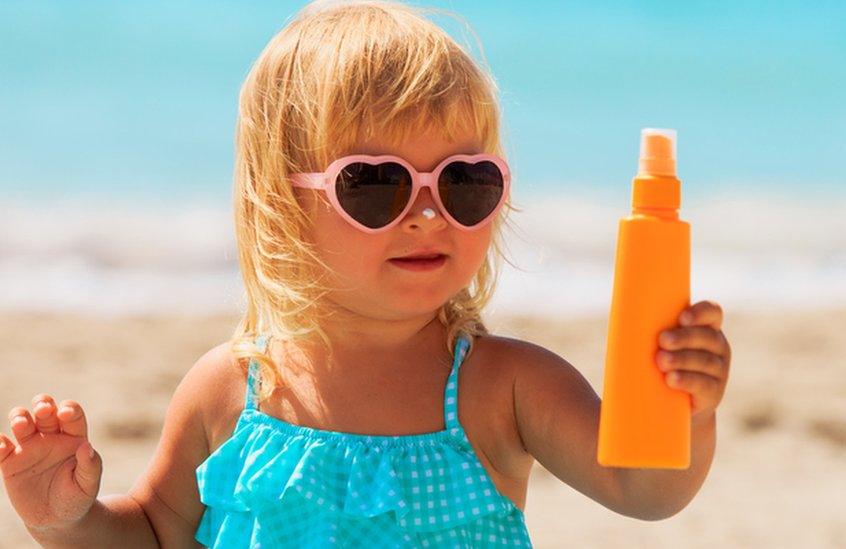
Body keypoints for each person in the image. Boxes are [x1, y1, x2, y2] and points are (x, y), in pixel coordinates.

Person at [0, 1, 732, 546]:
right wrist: (68, 518)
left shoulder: (504, 386)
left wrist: (689, 414)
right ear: (283, 203)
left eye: (463, 181)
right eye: (376, 183)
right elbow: (156, 534)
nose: (426, 214)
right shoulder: (231, 388)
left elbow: (644, 489)